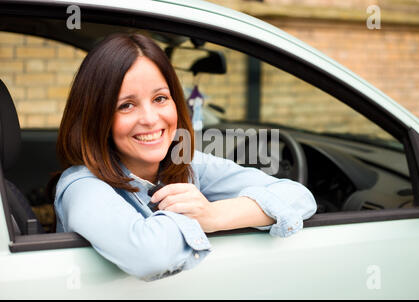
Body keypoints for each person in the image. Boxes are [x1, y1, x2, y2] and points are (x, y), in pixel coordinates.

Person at [54, 33, 317, 281]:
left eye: (160, 98)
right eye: (126, 105)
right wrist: (197, 217)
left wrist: (214, 214)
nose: (150, 119)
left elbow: (299, 197)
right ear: (96, 116)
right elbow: (151, 256)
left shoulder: (188, 164)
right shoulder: (81, 186)